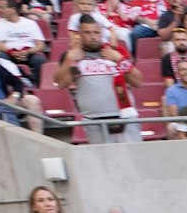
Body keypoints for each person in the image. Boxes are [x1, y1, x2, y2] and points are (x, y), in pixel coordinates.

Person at [55, 13, 142, 144]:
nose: (93, 36)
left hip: (125, 116)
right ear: (79, 34)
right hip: (93, 121)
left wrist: (119, 59)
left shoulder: (115, 52)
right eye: (88, 33)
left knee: (134, 158)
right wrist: (69, 60)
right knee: (103, 161)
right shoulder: (73, 56)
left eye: (96, 32)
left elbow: (138, 81)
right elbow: (61, 83)